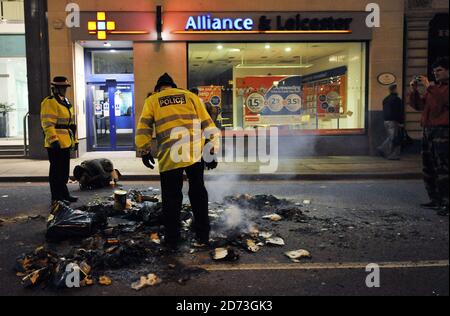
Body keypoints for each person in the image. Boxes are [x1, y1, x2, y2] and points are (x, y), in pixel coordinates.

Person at [136, 73, 219, 250]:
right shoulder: (190, 97)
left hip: (170, 155)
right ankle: (203, 235)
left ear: (159, 88)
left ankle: (173, 238)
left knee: (172, 197)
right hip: (194, 153)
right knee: (198, 193)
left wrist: (144, 150)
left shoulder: (153, 100)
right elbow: (207, 123)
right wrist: (211, 150)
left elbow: (144, 126)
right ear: (173, 86)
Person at [409, 57, 449, 215]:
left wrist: (429, 87)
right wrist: (414, 91)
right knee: (429, 166)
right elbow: (419, 106)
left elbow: (445, 100)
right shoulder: (434, 88)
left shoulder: (439, 89)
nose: (436, 74)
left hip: (443, 131)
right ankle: (435, 199)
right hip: (428, 130)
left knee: (444, 168)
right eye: (434, 71)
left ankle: (447, 202)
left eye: (439, 70)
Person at [41, 76, 79, 204]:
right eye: (62, 87)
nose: (64, 89)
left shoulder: (66, 102)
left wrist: (76, 141)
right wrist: (53, 140)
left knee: (63, 172)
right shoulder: (50, 102)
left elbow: (71, 125)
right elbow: (47, 123)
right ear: (55, 88)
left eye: (65, 87)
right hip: (56, 143)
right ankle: (56, 198)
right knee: (56, 172)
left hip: (66, 142)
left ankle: (64, 194)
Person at [377, 84, 404, 160]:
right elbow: (399, 112)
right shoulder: (397, 99)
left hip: (386, 121)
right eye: (397, 89)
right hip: (394, 121)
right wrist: (401, 122)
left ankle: (391, 154)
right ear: (395, 89)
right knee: (393, 138)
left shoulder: (385, 99)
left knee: (392, 137)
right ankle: (384, 149)